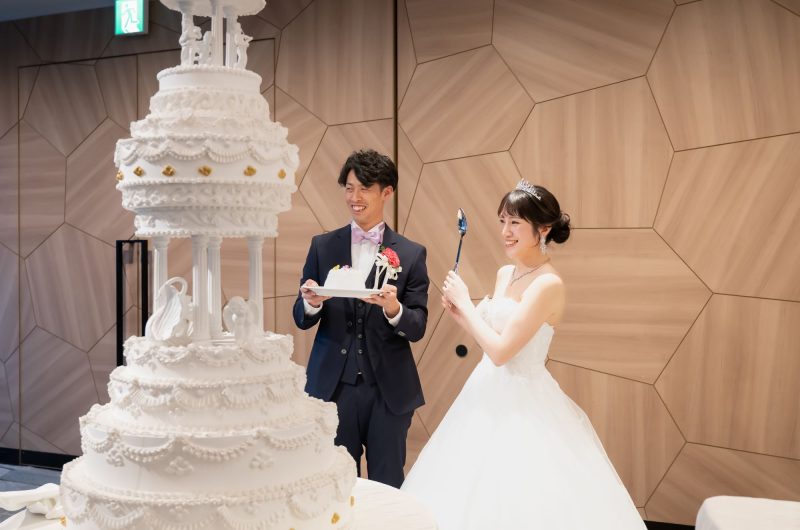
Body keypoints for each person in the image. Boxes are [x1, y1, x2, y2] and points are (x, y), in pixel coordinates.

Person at [401, 180, 646, 529]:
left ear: (542, 229)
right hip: (483, 392)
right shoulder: (506, 274)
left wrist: (468, 305)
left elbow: (502, 352)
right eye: (503, 221)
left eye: (515, 222)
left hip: (524, 401)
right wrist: (461, 314)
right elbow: (492, 340)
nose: (505, 231)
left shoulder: (548, 284)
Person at [293, 149, 429, 488]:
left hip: (389, 391)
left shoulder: (411, 254)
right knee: (336, 485)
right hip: (333, 388)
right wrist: (311, 303)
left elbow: (417, 325)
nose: (355, 198)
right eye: (349, 188)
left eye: (365, 188)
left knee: (388, 484)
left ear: (387, 192)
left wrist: (393, 309)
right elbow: (301, 317)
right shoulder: (322, 246)